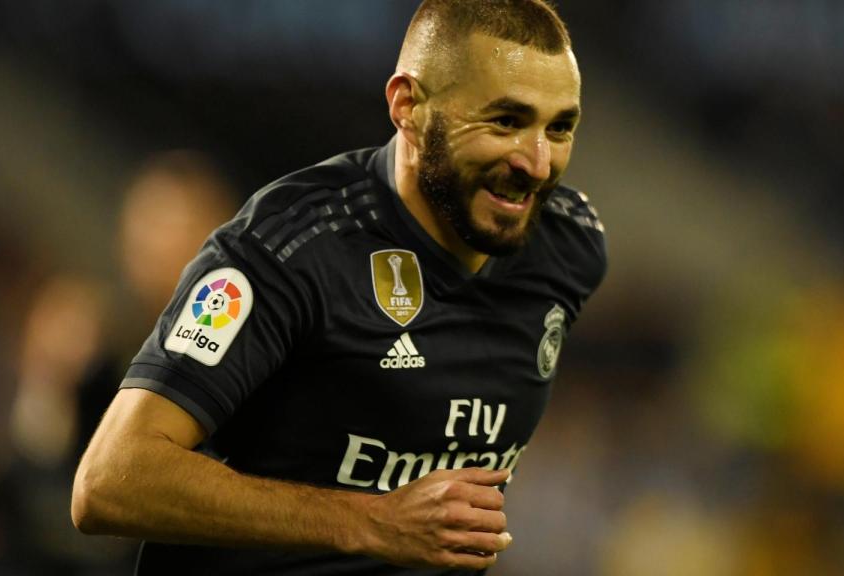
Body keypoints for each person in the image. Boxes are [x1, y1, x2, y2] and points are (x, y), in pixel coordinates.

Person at [71, 1, 606, 573]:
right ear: (408, 106)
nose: (538, 162)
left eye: (560, 127)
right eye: (505, 121)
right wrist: (370, 521)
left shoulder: (568, 247)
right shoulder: (290, 249)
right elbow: (111, 481)